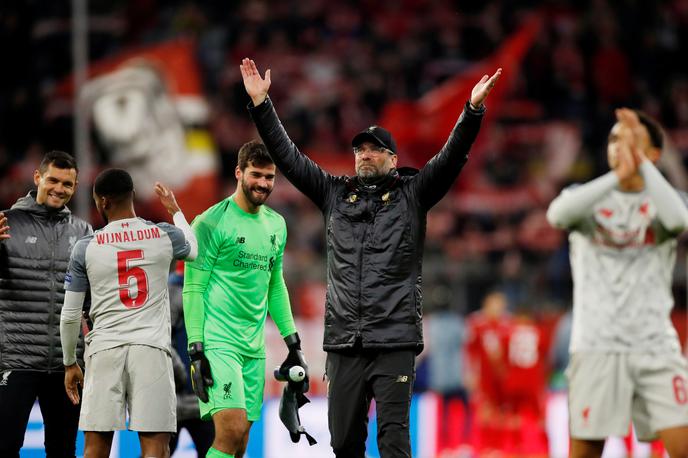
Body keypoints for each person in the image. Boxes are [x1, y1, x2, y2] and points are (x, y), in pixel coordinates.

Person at [241, 57, 501, 457]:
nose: (365, 154)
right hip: (344, 341)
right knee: (344, 442)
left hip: (394, 338)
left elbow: (450, 160)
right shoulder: (333, 194)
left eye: (375, 150)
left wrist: (472, 111)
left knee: (394, 440)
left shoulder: (413, 195)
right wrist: (262, 105)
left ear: (393, 159)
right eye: (360, 148)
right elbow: (289, 158)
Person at [547, 108, 688, 457]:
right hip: (596, 346)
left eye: (631, 140)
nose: (619, 146)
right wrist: (618, 176)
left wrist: (642, 168)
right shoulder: (587, 198)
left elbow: (679, 221)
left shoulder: (665, 202)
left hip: (655, 346)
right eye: (614, 139)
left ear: (652, 153)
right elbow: (557, 215)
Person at [60, 168, 198, 458]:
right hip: (151, 350)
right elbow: (193, 248)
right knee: (155, 447)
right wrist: (174, 210)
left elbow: (71, 314)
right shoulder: (163, 234)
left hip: (104, 352)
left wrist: (70, 362)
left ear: (102, 202)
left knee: (96, 447)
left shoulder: (86, 247)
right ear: (132, 196)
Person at [182, 140, 308, 458]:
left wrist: (293, 342)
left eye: (269, 177)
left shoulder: (276, 225)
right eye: (256, 175)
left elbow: (274, 285)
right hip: (218, 343)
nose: (263, 184)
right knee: (231, 429)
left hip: (254, 347)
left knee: (240, 444)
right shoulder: (210, 223)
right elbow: (193, 288)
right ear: (239, 172)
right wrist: (196, 349)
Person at [0, 150, 92, 457]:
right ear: (37, 178)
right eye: (53, 179)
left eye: (67, 183)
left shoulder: (83, 232)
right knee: (5, 444)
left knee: (63, 449)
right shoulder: (6, 223)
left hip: (65, 365)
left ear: (75, 187)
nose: (59, 188)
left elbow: (91, 297)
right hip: (15, 359)